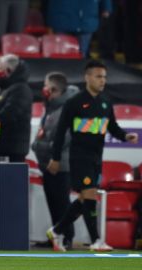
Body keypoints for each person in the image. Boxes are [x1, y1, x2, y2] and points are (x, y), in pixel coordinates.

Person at [46, 60, 138, 252]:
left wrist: (125, 136)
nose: (102, 80)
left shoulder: (105, 102)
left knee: (84, 199)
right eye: (98, 76)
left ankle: (56, 230)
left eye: (104, 76)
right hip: (80, 156)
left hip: (97, 157)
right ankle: (96, 240)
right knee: (90, 196)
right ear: (87, 77)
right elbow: (61, 132)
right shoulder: (74, 103)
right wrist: (55, 158)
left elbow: (112, 126)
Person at [31, 72, 78, 250]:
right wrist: (39, 145)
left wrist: (39, 147)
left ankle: (67, 237)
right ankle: (56, 236)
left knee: (62, 203)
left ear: (53, 89)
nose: (43, 89)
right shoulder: (51, 107)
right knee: (54, 202)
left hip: (60, 164)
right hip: (48, 165)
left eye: (46, 85)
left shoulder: (67, 108)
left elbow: (63, 138)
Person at [0, 54, 32, 162]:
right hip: (3, 145)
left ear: (9, 70)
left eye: (0, 68)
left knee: (10, 178)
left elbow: (9, 115)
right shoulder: (4, 88)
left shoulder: (21, 89)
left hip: (13, 148)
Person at [47, 0, 112, 58]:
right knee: (61, 53)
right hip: (63, 17)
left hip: (85, 18)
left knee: (81, 53)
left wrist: (106, 7)